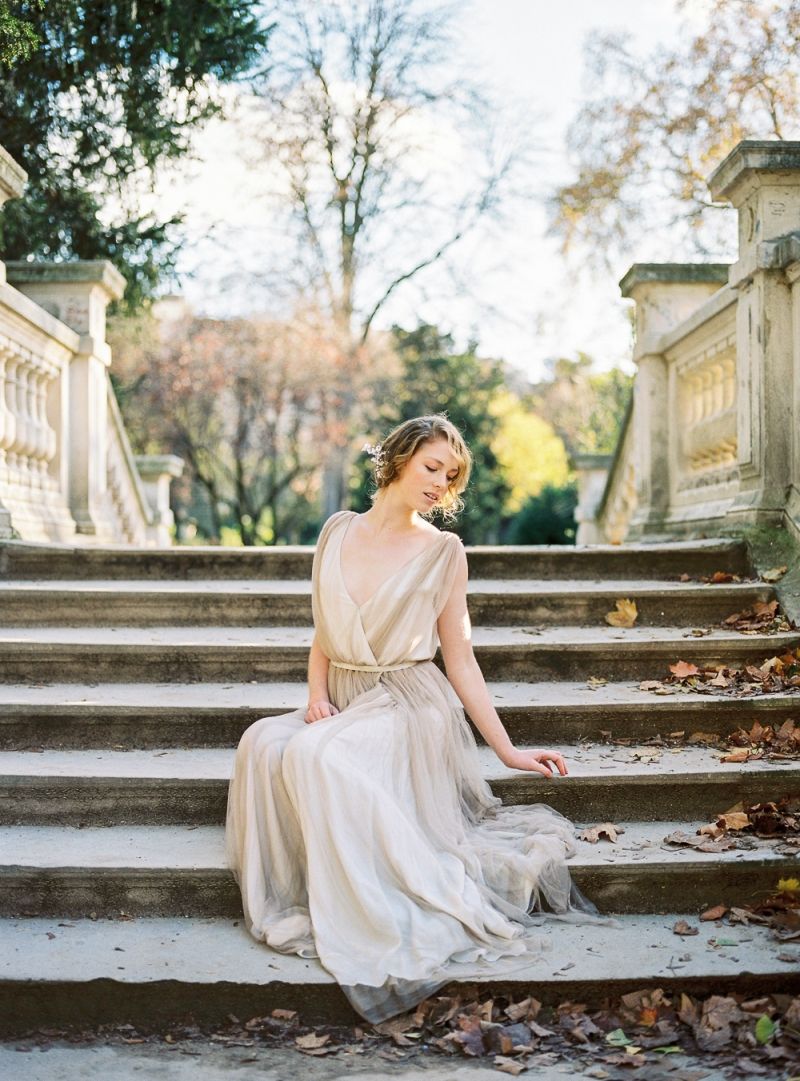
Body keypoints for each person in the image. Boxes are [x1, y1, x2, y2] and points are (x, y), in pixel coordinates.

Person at [225, 414, 604, 1024]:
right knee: (264, 740)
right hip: (345, 693)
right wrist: (316, 694)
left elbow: (461, 660)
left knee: (312, 754)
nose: (440, 484)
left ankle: (372, 903)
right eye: (432, 468)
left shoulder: (443, 552)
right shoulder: (336, 530)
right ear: (399, 458)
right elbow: (324, 628)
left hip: (407, 701)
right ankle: (315, 889)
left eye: (450, 476)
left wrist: (507, 751)